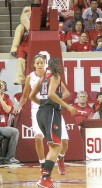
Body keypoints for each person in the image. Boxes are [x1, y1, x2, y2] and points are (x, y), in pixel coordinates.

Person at [16, 55, 69, 174]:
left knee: (64, 141)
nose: (40, 65)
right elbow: (26, 96)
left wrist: (56, 98)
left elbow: (66, 93)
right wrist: (19, 106)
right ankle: (42, 164)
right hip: (39, 108)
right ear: (34, 64)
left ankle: (60, 158)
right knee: (39, 138)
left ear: (45, 64)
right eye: (38, 63)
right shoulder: (31, 77)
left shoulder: (52, 76)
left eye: (42, 62)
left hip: (53, 107)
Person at [29, 58, 77, 188]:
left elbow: (31, 97)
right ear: (57, 67)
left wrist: (43, 104)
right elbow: (51, 94)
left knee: (54, 146)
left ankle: (46, 177)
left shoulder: (42, 78)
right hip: (50, 113)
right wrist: (67, 106)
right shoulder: (55, 76)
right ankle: (45, 178)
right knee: (56, 146)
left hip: (41, 112)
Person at [0, 80, 20, 164]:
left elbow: (7, 109)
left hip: (2, 127)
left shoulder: (7, 99)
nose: (0, 86)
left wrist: (0, 98)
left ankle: (10, 158)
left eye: (1, 85)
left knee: (15, 132)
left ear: (4, 88)